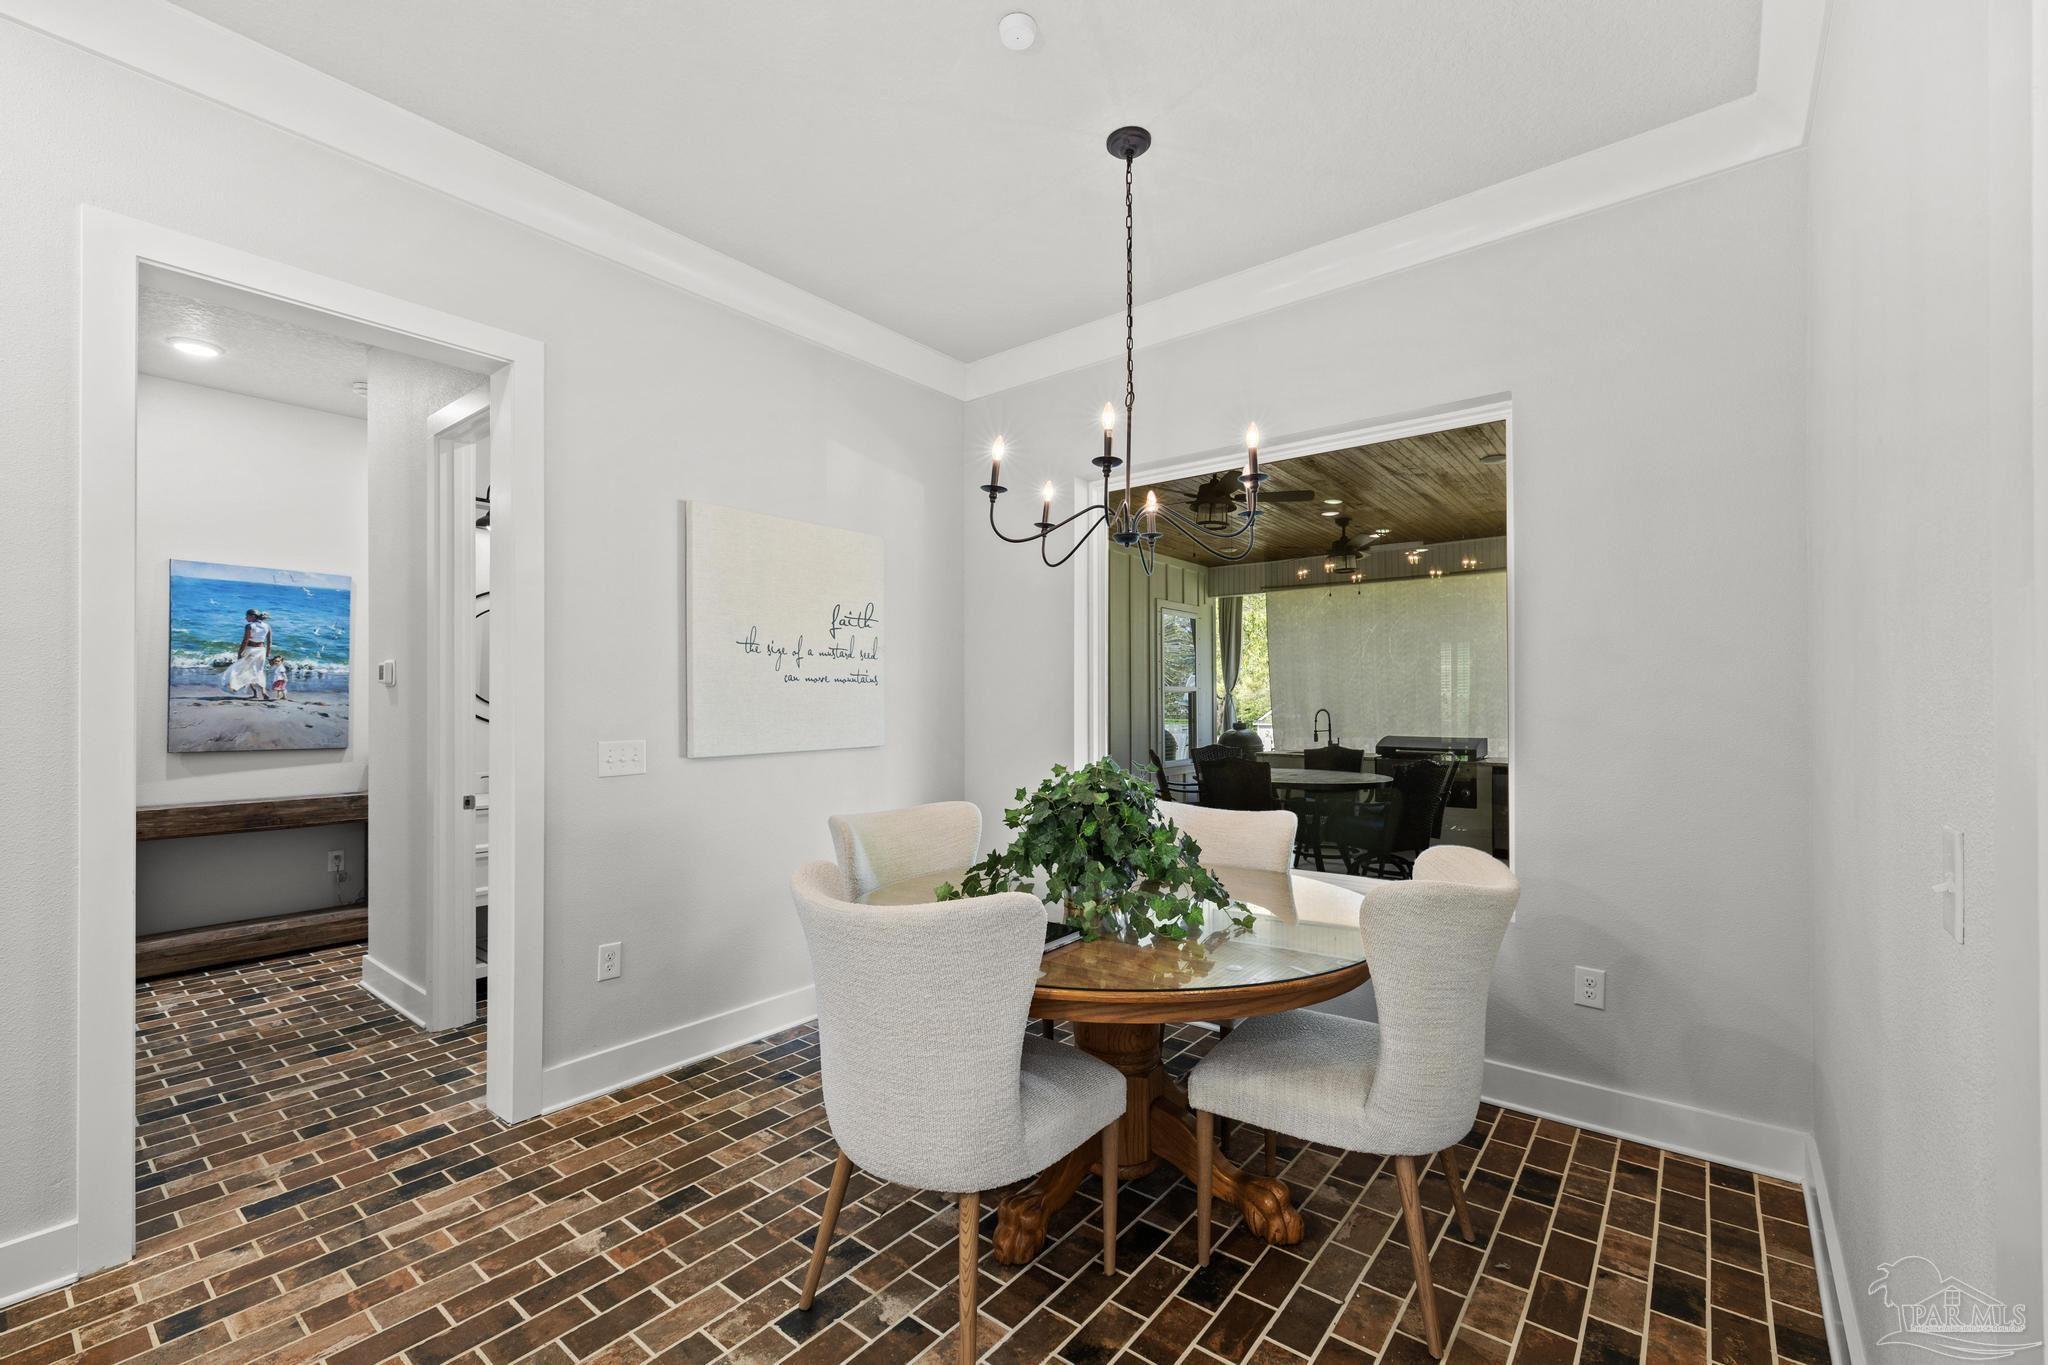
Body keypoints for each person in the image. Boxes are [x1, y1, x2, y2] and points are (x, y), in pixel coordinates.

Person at [220, 609, 271, 700]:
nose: (245, 618)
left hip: (250, 650)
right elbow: (269, 641)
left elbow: (245, 640)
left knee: (246, 671)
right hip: (261, 650)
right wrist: (267, 653)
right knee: (259, 671)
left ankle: (254, 692)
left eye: (247, 616)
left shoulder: (249, 626)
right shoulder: (267, 626)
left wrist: (240, 652)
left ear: (252, 616)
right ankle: (263, 691)